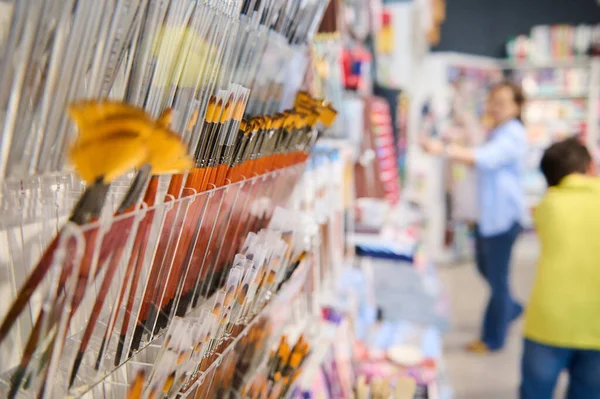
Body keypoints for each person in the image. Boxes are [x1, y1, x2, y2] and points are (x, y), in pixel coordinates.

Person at [421, 81, 528, 352]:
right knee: (487, 271)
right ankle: (511, 308)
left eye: (502, 102)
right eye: (493, 101)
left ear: (517, 107)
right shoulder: (498, 130)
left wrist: (443, 150)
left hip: (502, 219)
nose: (495, 107)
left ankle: (493, 338)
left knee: (497, 281)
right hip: (487, 217)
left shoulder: (513, 133)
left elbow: (485, 158)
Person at [520, 138, 600, 399]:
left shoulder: (547, 206)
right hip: (596, 323)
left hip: (549, 321)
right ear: (591, 167)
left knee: (535, 392)